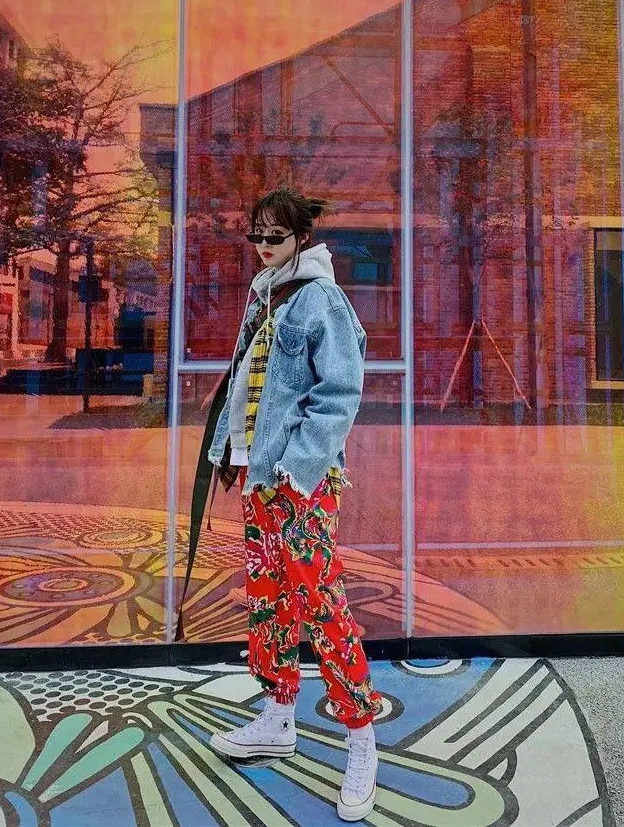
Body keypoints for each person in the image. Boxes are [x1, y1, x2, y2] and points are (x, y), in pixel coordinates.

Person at [207, 186, 382, 821]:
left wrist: (296, 466)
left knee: (320, 601)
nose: (262, 245)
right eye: (255, 234)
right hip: (261, 478)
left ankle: (361, 738)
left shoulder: (321, 299)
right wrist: (231, 453)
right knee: (270, 597)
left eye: (274, 236)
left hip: (299, 482)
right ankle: (279, 716)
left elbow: (340, 393)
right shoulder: (266, 294)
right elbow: (250, 388)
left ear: (302, 238)